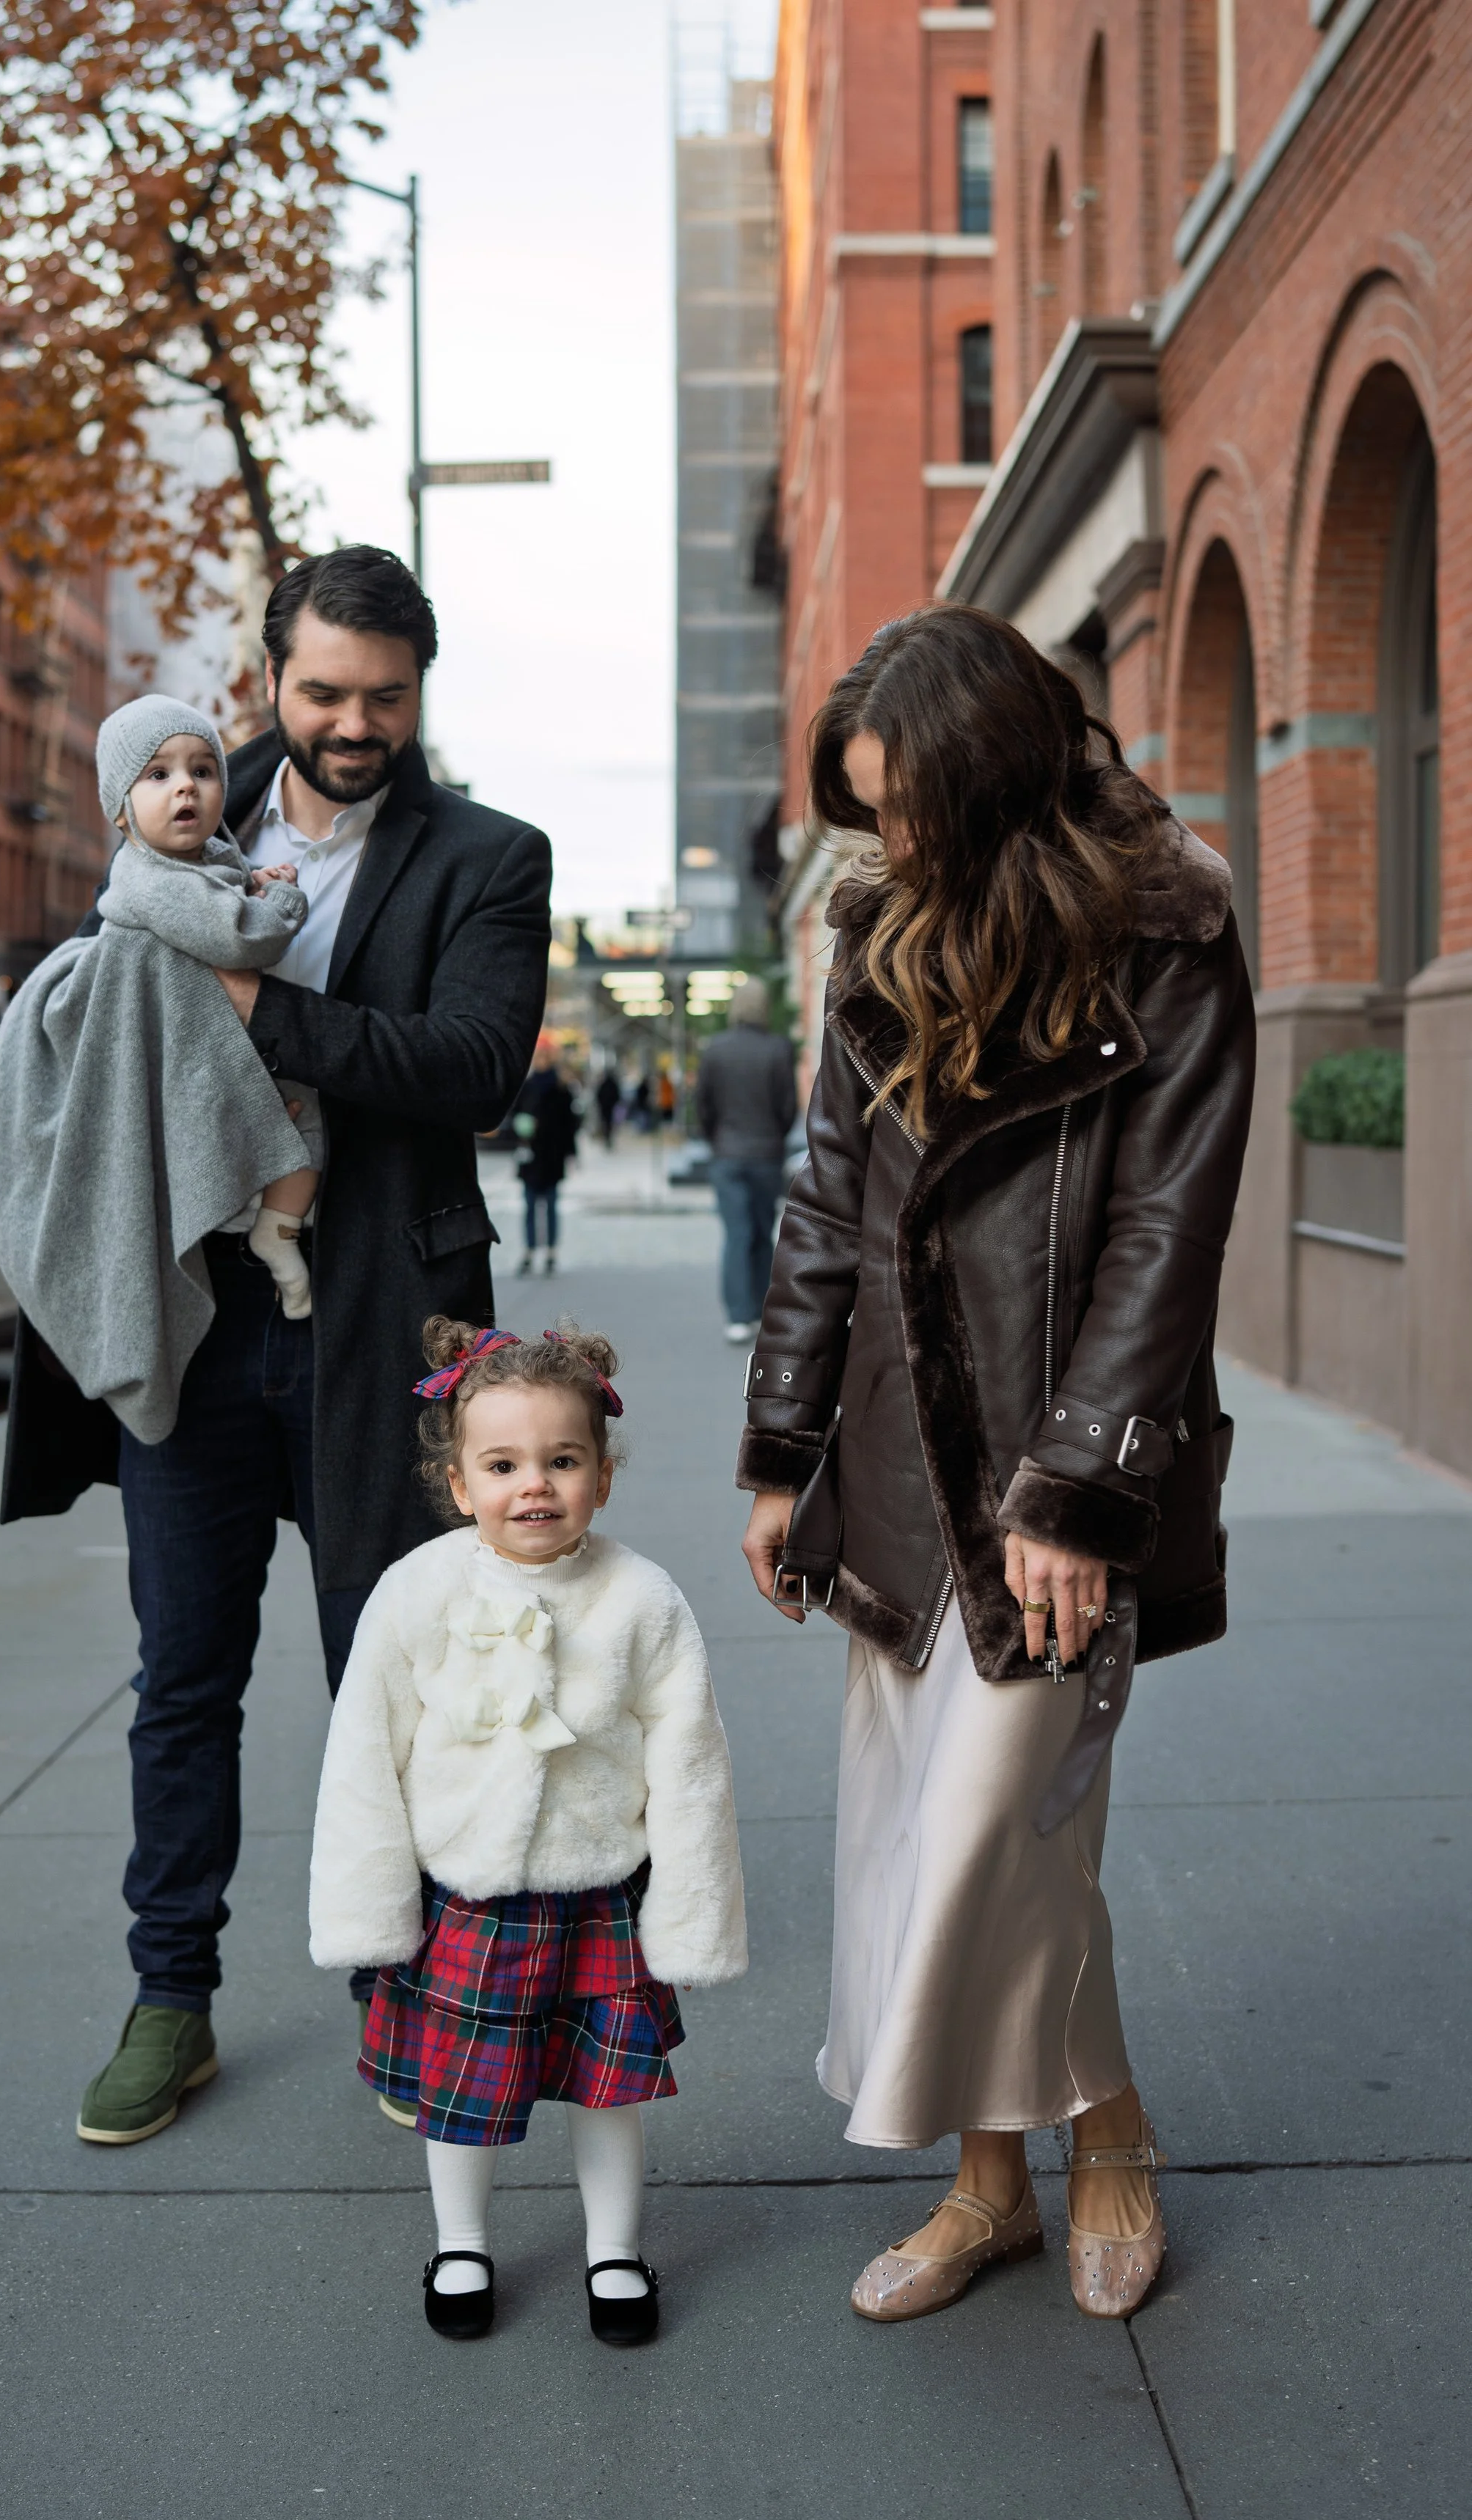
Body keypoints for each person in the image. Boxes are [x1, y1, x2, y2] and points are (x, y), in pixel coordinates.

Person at [0, 545, 554, 2145]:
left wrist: (252, 1008)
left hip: (386, 1317)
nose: (352, 720)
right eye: (322, 690)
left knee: (394, 1675)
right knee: (183, 1674)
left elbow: (467, 1064)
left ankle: (408, 1981)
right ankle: (170, 1995)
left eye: (384, 694)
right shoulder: (166, 797)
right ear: (270, 677)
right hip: (189, 1323)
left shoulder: (488, 856)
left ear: (418, 688)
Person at [737, 603, 1253, 2324]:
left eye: (907, 807)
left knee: (998, 1836)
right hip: (894, 1459)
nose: (885, 843)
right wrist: (780, 1448)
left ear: (992, 780)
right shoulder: (877, 924)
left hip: (1060, 1474)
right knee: (929, 1833)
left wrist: (1081, 1486)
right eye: (867, 811)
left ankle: (1101, 2144)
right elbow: (824, 1197)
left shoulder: (1169, 926)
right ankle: (993, 2187)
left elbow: (1167, 1234)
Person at [309, 1318, 747, 2343]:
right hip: (466, 1895)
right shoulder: (416, 1592)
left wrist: (690, 1912)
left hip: (600, 1893)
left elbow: (691, 1765)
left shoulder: (643, 1599)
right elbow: (365, 1755)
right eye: (502, 1465)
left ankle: (614, 2251)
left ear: (602, 1472)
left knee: (607, 2092)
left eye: (562, 1460)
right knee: (456, 2094)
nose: (534, 1486)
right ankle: (460, 2242)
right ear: (459, 1483)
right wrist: (372, 1909)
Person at [0, 700, 325, 1444]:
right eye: (157, 775)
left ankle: (276, 1228)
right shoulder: (157, 887)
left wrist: (249, 881)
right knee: (301, 1123)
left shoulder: (214, 868)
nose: (185, 788)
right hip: (205, 1097)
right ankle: (273, 1229)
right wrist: (281, 898)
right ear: (121, 811)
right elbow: (242, 939)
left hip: (235, 1079)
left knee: (308, 1120)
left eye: (202, 770)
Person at [695, 977, 797, 1345]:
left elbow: (703, 1105)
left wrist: (717, 1139)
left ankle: (738, 1315)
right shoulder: (778, 1049)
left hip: (728, 1154)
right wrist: (773, 1136)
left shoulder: (715, 1049)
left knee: (737, 1234)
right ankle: (760, 1310)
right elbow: (788, 1106)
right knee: (761, 1233)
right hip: (766, 1154)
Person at [512, 1037, 580, 1276]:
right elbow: (515, 1116)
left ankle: (551, 1252)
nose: (541, 1060)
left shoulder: (561, 1088)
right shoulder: (526, 1086)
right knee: (530, 1206)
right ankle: (529, 1251)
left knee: (550, 1205)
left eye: (545, 1056)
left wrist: (572, 1153)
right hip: (530, 1155)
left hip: (552, 1156)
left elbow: (570, 1124)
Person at [593, 1062, 622, 1149]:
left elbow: (598, 1096)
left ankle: (608, 1138)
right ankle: (608, 1139)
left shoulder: (604, 1084)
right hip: (610, 1107)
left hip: (605, 1108)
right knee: (609, 1124)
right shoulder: (612, 1084)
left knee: (606, 1124)